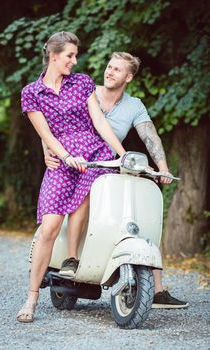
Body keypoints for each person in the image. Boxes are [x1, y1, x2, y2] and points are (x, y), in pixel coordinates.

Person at [43, 52, 189, 309]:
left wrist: (163, 167)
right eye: (109, 67)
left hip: (110, 163)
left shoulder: (134, 105)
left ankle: (156, 289)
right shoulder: (87, 91)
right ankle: (72, 259)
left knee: (141, 215)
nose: (109, 72)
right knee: (86, 193)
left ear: (128, 77)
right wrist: (48, 150)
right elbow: (54, 120)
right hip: (78, 162)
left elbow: (150, 136)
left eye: (117, 70)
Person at [17, 32, 126, 323]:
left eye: (75, 55)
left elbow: (99, 122)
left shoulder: (82, 82)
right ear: (53, 56)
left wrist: (122, 153)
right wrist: (65, 157)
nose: (74, 61)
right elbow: (46, 134)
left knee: (88, 190)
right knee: (49, 227)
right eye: (70, 56)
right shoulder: (32, 93)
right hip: (61, 157)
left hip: (91, 152)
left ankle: (72, 259)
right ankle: (31, 297)